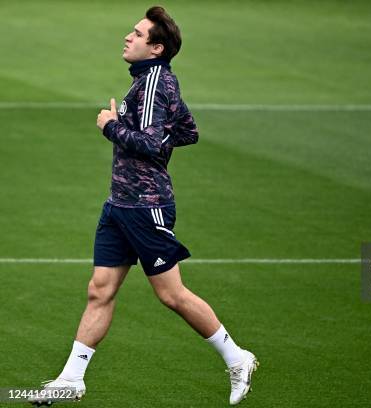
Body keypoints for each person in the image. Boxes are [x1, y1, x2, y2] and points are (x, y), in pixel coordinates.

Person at [35, 6, 258, 406]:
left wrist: (111, 126)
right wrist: (131, 126)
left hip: (146, 206)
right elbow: (187, 131)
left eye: (137, 34)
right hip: (120, 205)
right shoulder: (150, 81)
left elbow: (153, 142)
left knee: (171, 295)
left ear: (156, 48)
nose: (128, 37)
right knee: (99, 290)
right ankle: (72, 378)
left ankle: (237, 357)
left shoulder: (155, 82)